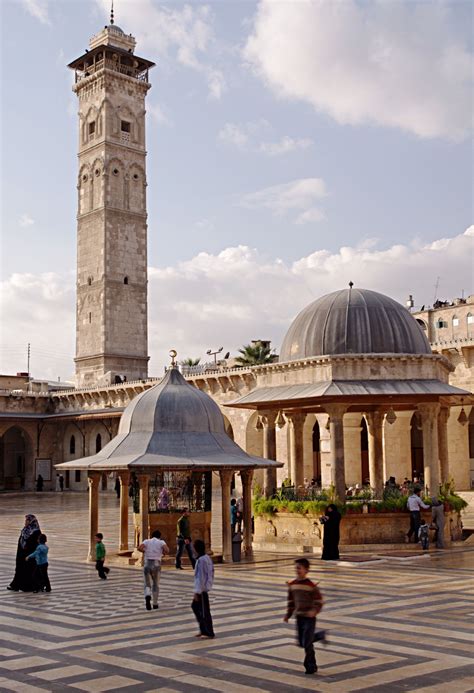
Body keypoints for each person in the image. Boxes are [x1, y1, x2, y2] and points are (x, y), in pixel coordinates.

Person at [283, 558, 324, 675]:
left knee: (306, 642)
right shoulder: (293, 585)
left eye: (299, 568)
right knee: (301, 642)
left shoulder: (311, 586)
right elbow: (291, 602)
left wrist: (314, 611)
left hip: (309, 618)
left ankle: (310, 666)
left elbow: (319, 601)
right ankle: (320, 635)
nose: (297, 570)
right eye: (296, 568)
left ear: (306, 570)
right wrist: (288, 615)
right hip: (299, 617)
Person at [7, 514, 42, 592]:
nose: (25, 522)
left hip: (29, 555)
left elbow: (36, 544)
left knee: (29, 570)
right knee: (19, 569)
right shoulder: (25, 530)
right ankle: (15, 585)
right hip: (21, 554)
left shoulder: (36, 531)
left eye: (27, 520)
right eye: (25, 520)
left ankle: (29, 587)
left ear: (31, 521)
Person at [138, 529, 169, 611]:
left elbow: (139, 548)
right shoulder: (161, 542)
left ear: (152, 535)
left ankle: (147, 595)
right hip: (156, 564)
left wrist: (145, 551)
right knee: (155, 584)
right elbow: (167, 550)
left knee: (147, 583)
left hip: (147, 563)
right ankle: (155, 603)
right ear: (159, 536)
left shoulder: (147, 541)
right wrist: (162, 552)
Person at [191, 539, 215, 639]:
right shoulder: (206, 558)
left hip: (202, 590)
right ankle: (203, 630)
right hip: (204, 588)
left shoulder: (201, 560)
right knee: (197, 608)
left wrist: (198, 592)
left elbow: (200, 577)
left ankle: (208, 632)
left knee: (204, 611)